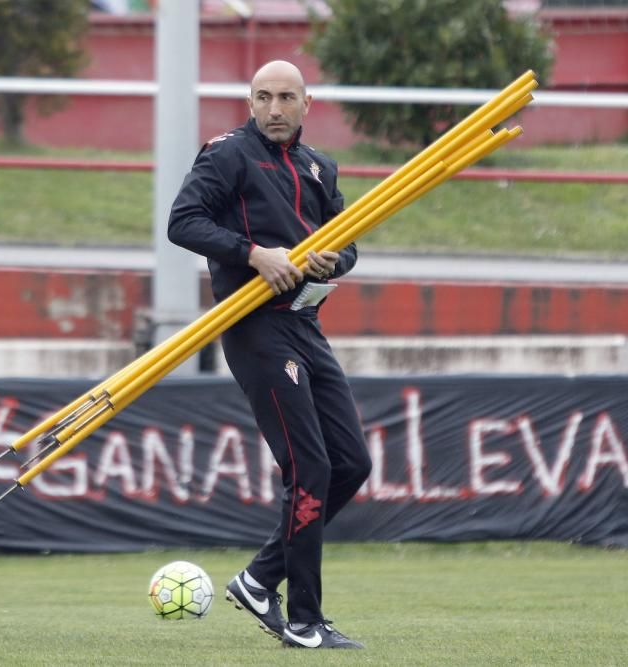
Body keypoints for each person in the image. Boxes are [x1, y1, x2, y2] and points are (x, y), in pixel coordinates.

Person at [167, 60, 372, 649]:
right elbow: (183, 222)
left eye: (286, 97)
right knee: (309, 468)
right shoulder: (228, 153)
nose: (275, 109)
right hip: (254, 327)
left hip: (306, 323)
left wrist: (337, 260)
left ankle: (260, 579)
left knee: (351, 463)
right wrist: (254, 254)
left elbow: (348, 237)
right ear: (251, 102)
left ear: (308, 104)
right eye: (263, 97)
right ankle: (305, 622)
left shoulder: (319, 166)